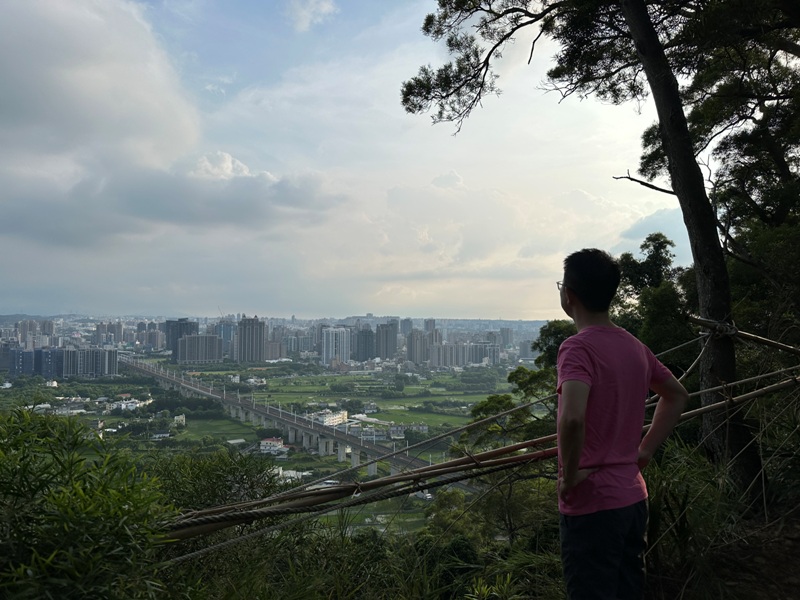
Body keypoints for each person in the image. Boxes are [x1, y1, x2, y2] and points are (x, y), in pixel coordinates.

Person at [555, 248, 689, 599]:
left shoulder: (577, 348)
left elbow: (571, 417)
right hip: (632, 498)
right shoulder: (634, 346)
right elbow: (676, 395)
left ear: (568, 295)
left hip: (592, 503)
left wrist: (569, 476)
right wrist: (644, 451)